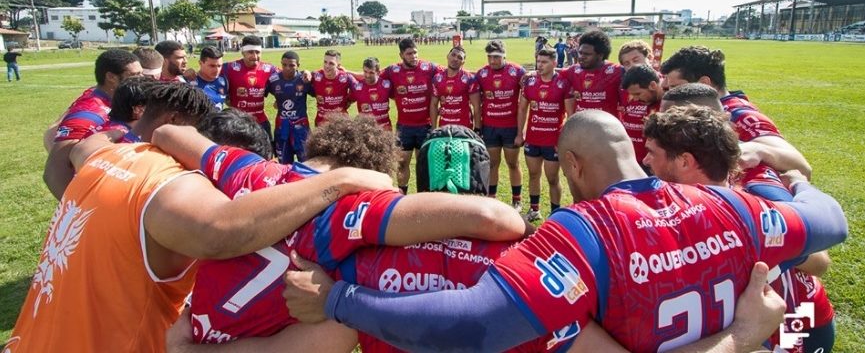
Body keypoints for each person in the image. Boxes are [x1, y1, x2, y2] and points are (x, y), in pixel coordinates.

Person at [282, 109, 847, 352]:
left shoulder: (581, 232)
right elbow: (830, 223)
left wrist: (341, 300)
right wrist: (783, 184)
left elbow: (476, 326)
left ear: (572, 166)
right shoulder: (734, 209)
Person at [10, 99, 394, 351]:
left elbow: (70, 146)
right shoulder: (182, 203)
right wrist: (336, 184)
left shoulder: (124, 158)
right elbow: (221, 231)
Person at [147, 114, 527, 347]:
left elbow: (166, 133)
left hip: (190, 329)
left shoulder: (253, 172)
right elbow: (492, 219)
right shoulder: (350, 210)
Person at [655, 87, 837, 353]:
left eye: (674, 119)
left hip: (795, 313)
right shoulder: (675, 176)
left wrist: (752, 229)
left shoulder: (754, 180)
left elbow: (819, 261)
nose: (664, 128)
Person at [659, 45, 811, 178]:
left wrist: (759, 150)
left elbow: (803, 167)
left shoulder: (741, 115)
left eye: (676, 87)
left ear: (704, 83)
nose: (670, 93)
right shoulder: (708, 109)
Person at [43, 49, 143, 199]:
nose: (141, 79)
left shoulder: (117, 101)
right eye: (135, 75)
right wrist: (78, 207)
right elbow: (54, 171)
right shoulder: (90, 112)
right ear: (111, 77)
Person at [515, 47, 574, 220]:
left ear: (555, 63)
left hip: (553, 140)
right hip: (533, 138)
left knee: (553, 179)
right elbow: (522, 110)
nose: (540, 65)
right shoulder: (530, 82)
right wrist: (520, 133)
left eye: (544, 62)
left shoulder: (563, 83)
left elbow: (571, 115)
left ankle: (555, 213)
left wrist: (567, 140)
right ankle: (534, 209)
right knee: (533, 175)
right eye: (538, 61)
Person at [380, 38, 443, 194]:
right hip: (404, 127)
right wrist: (343, 72)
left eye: (415, 52)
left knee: (424, 165)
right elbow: (372, 77)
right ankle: (402, 195)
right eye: (409, 54)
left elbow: (452, 73)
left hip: (425, 126)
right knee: (402, 164)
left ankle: (423, 196)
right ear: (401, 55)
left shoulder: (430, 68)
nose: (413, 56)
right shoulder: (392, 71)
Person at [476, 39, 525, 209]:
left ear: (504, 56)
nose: (492, 61)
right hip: (490, 127)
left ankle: (517, 199)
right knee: (492, 163)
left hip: (510, 127)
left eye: (496, 57)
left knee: (513, 163)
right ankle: (491, 197)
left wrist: (521, 130)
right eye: (489, 57)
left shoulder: (518, 72)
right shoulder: (481, 74)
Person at [221, 35, 277, 141]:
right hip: (237, 122)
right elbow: (208, 74)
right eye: (250, 52)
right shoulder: (229, 68)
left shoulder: (269, 69)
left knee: (267, 154)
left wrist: (305, 73)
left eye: (258, 52)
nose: (255, 56)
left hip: (260, 120)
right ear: (243, 52)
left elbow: (289, 77)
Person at [266, 50, 314, 163]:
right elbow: (260, 93)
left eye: (292, 65)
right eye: (284, 65)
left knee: (307, 162)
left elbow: (321, 94)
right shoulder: (273, 80)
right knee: (284, 163)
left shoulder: (304, 79)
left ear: (298, 65)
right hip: (282, 127)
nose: (287, 68)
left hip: (301, 127)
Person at [561, 29, 622, 116]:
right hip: (580, 126)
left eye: (587, 54)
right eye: (580, 53)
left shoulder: (617, 71)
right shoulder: (573, 70)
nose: (581, 57)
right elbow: (552, 72)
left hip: (606, 127)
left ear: (600, 55)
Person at [620, 64, 663, 167]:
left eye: (638, 94)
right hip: (633, 160)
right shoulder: (643, 99)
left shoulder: (669, 102)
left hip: (657, 165)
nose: (635, 99)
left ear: (652, 85)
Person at [430, 45, 481, 130]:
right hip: (444, 127)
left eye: (460, 57)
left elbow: (476, 106)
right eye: (453, 55)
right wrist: (434, 128)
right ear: (447, 56)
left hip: (464, 128)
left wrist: (477, 128)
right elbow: (434, 104)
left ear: (463, 62)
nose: (455, 59)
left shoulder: (470, 79)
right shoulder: (437, 79)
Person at [310, 49, 355, 127]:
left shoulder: (345, 77)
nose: (327, 66)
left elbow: (360, 88)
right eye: (325, 62)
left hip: (341, 123)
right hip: (321, 123)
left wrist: (349, 100)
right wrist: (306, 72)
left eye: (331, 63)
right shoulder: (316, 76)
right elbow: (298, 78)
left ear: (338, 65)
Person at [349, 57, 392, 130]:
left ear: (378, 72)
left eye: (371, 72)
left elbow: (397, 98)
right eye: (365, 72)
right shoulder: (357, 87)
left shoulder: (387, 85)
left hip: (385, 130)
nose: (367, 75)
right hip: (366, 131)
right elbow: (347, 102)